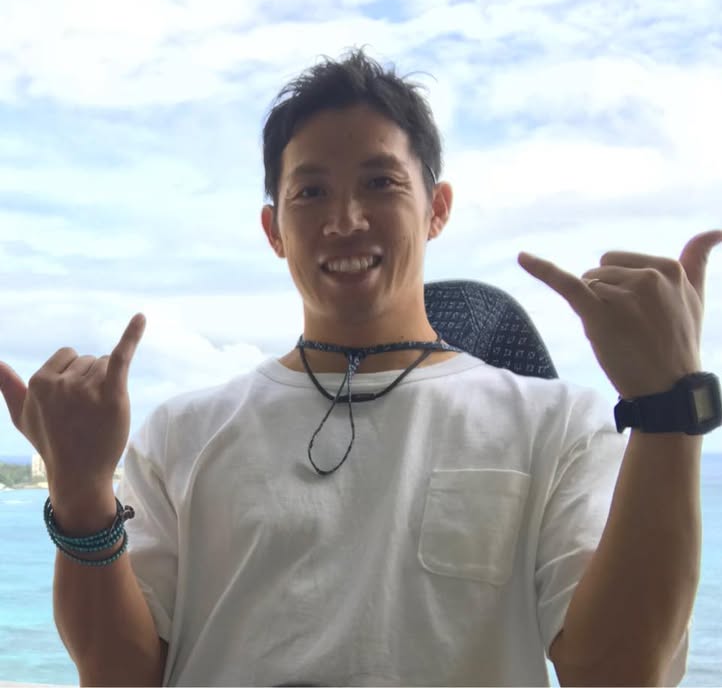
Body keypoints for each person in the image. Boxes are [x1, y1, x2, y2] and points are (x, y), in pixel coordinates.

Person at [0, 49, 720, 686]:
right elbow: (120, 677)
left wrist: (665, 410)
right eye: (310, 192)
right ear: (274, 229)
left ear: (437, 208)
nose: (345, 219)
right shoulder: (182, 434)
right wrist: (82, 492)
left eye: (381, 183)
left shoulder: (556, 425)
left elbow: (620, 675)